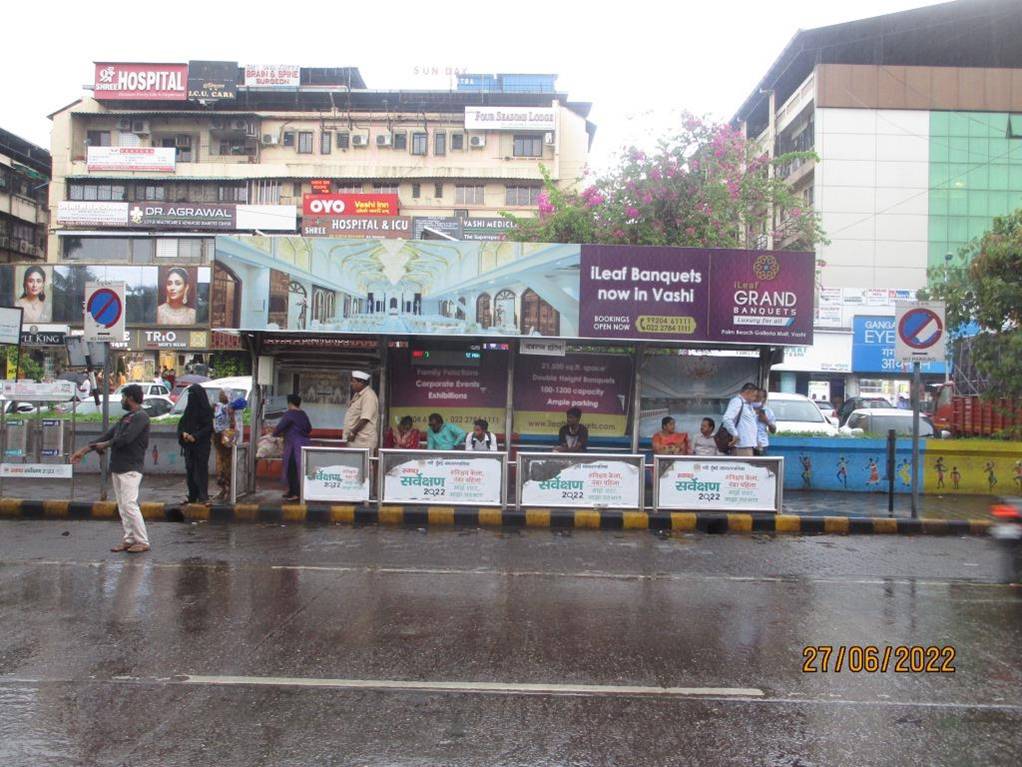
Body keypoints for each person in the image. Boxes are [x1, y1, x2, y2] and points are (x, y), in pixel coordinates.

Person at [71, 384, 151, 553]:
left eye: (123, 397)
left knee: (129, 505)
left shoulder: (141, 417)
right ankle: (129, 539)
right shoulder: (126, 418)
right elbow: (108, 435)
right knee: (122, 506)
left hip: (131, 467)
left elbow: (126, 439)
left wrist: (105, 445)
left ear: (130, 398)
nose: (122, 400)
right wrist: (85, 450)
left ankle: (142, 541)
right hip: (118, 466)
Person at [177, 383, 213, 505]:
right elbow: (181, 425)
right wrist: (183, 434)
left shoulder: (206, 411)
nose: (190, 398)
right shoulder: (188, 411)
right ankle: (192, 495)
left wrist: (196, 436)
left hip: (202, 446)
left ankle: (203, 495)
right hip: (189, 446)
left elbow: (208, 427)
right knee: (190, 470)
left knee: (201, 470)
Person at [274, 394, 312, 501]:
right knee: (300, 469)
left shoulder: (289, 414)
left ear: (290, 403)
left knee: (292, 469)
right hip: (304, 445)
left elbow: (280, 427)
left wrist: (274, 434)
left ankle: (295, 493)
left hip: (293, 446)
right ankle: (293, 491)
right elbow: (309, 428)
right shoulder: (303, 414)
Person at [212, 388, 243, 501]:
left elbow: (235, 423)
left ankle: (229, 490)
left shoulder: (231, 408)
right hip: (218, 438)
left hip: (227, 439)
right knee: (220, 465)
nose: (221, 396)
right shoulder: (217, 407)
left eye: (223, 394)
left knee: (227, 465)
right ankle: (223, 489)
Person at [721, 383, 760, 456]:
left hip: (748, 444)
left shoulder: (748, 405)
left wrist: (756, 440)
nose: (754, 398)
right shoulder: (737, 401)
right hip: (742, 445)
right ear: (747, 392)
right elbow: (727, 419)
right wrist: (735, 434)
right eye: (753, 395)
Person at [344, 370, 379, 449]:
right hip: (356, 441)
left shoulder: (369, 396)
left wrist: (353, 433)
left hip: (363, 441)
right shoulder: (357, 395)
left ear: (361, 382)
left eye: (354, 382)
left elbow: (365, 419)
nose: (351, 384)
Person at [754, 388, 777, 456]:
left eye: (759, 397)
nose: (756, 399)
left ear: (764, 399)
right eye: (755, 396)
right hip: (749, 444)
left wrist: (766, 421)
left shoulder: (768, 411)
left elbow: (773, 431)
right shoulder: (747, 409)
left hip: (763, 444)